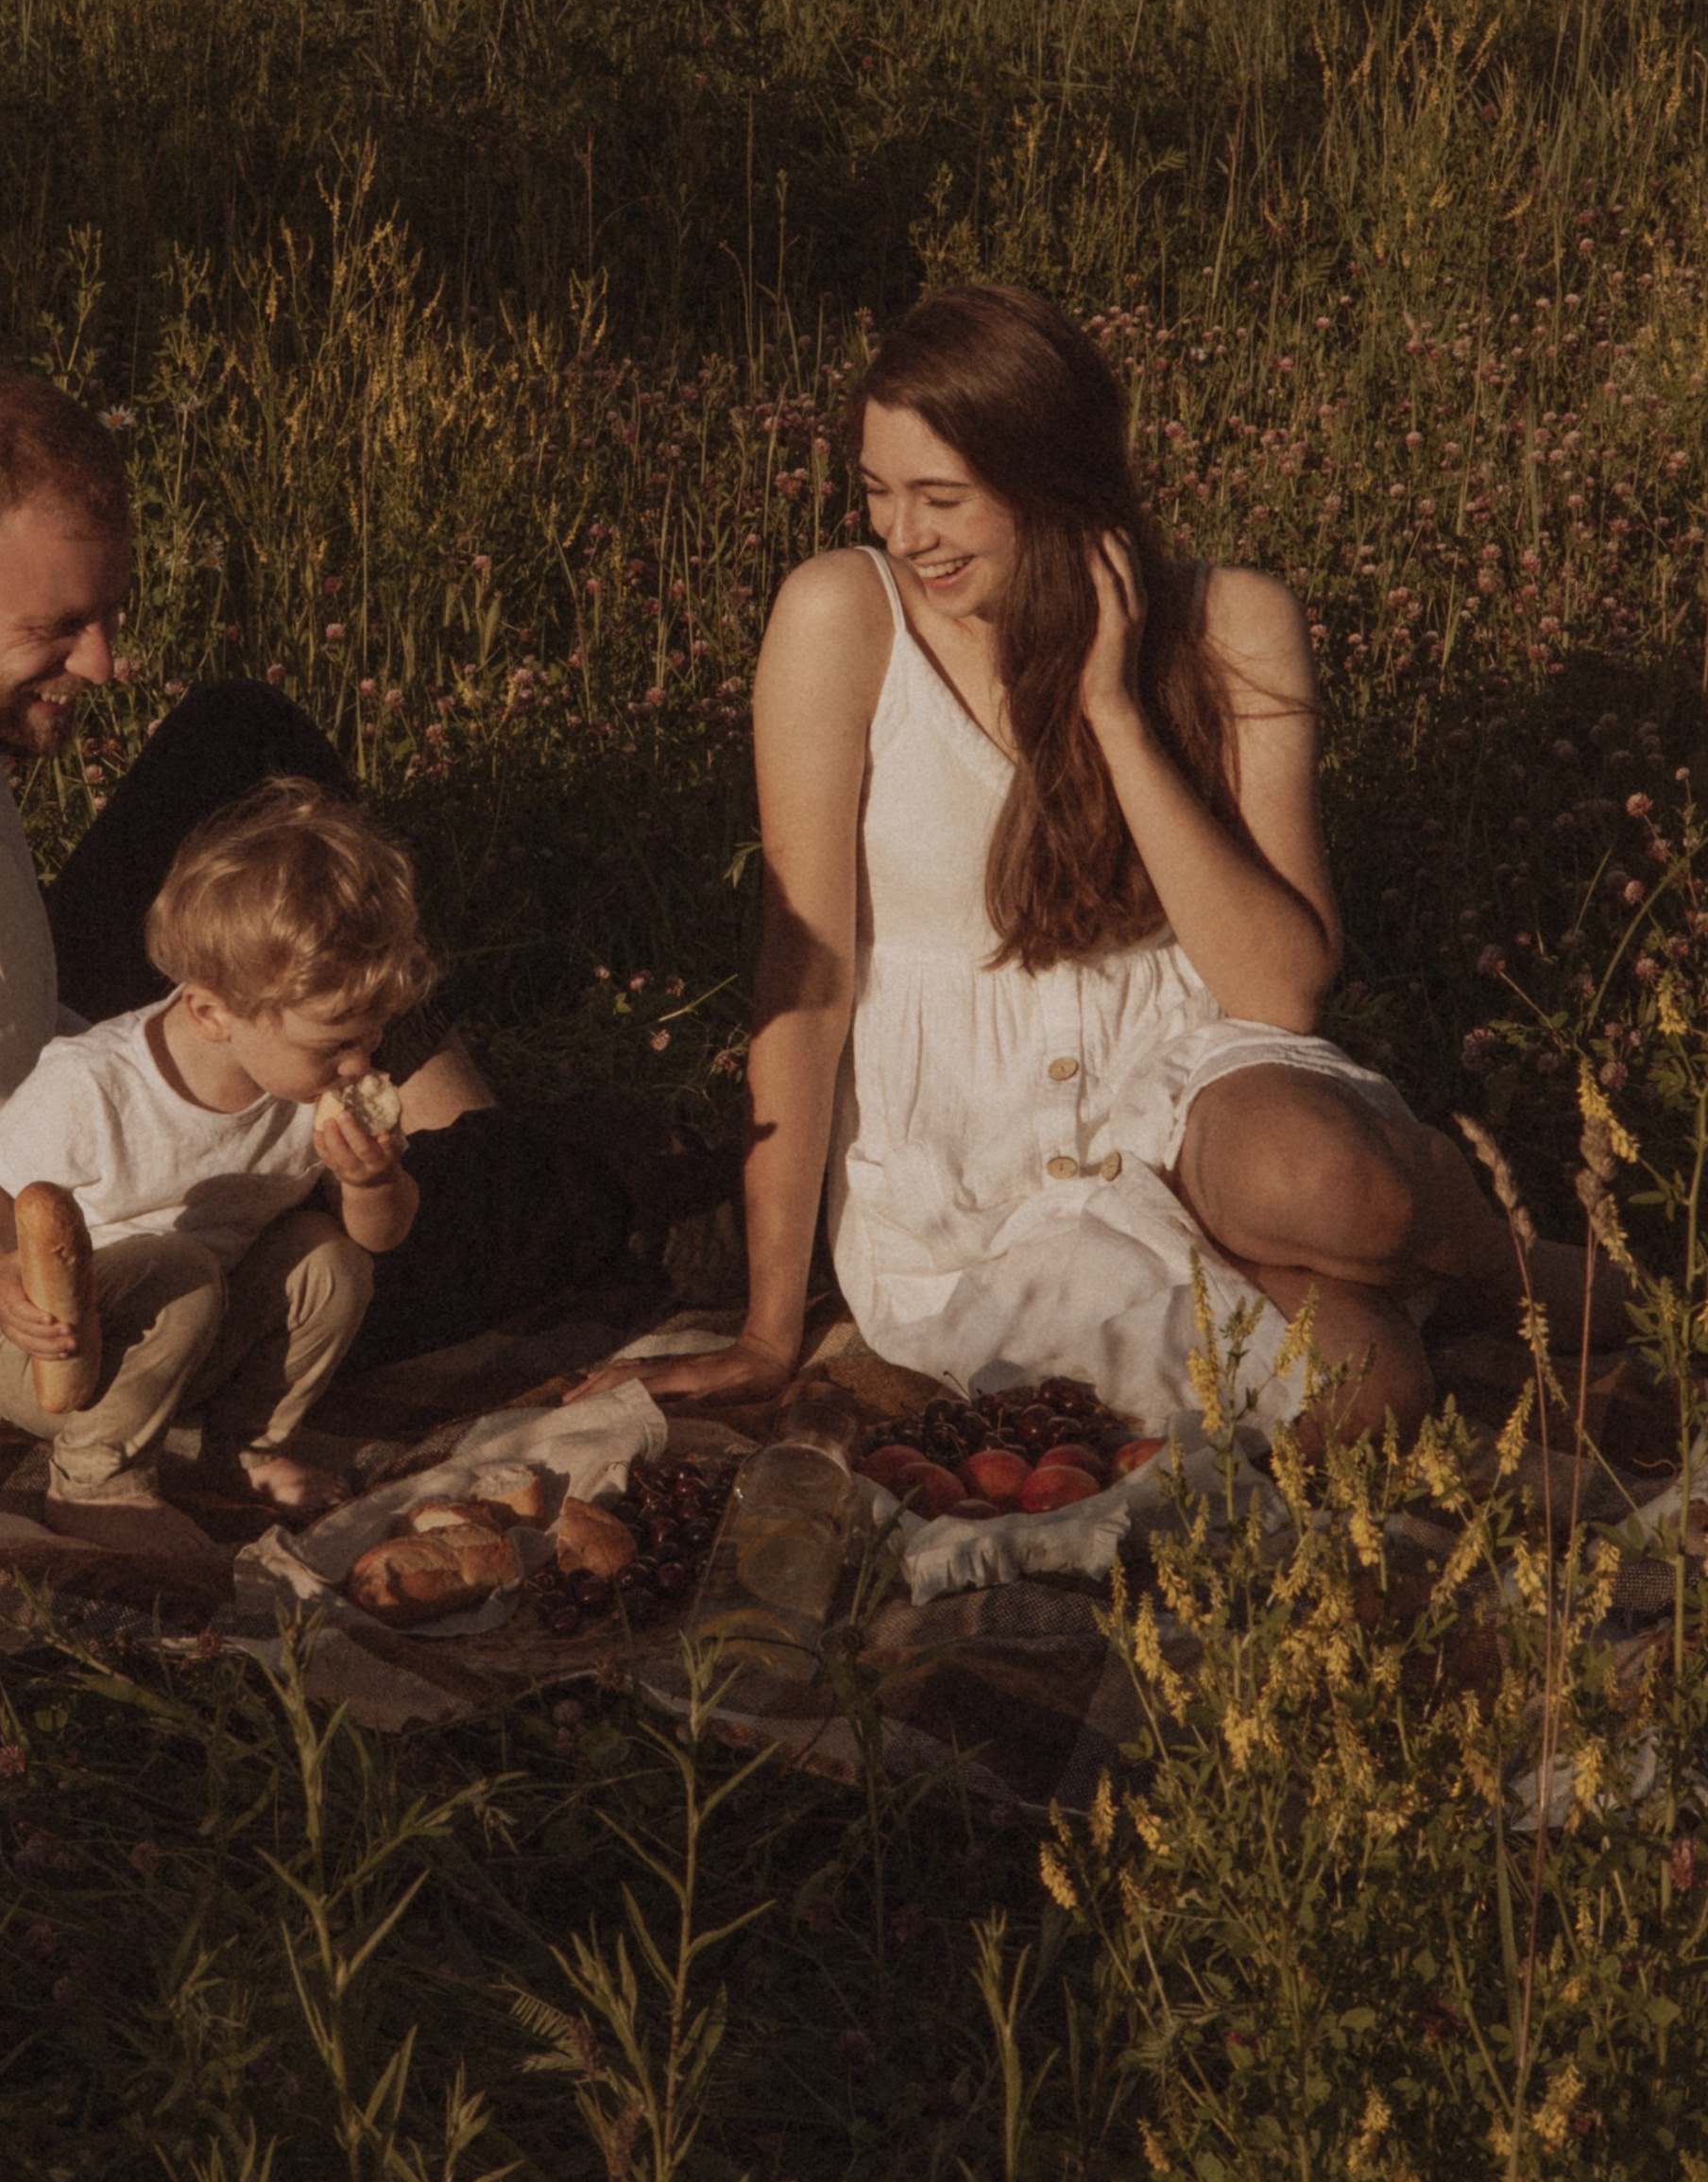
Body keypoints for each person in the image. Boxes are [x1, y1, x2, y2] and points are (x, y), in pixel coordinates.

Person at [0, 364, 709, 1516]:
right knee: (598, 1166)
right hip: (16, 1266)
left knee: (241, 736)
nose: (102, 663)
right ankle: (485, 1162)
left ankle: (402, 1103)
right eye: (55, 627)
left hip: (24, 1055)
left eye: (107, 613)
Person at [583, 283, 1609, 1444]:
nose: (903, 535)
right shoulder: (842, 617)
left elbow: (1279, 989)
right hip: (979, 1174)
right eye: (876, 492)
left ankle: (1503, 1269)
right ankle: (1462, 1286)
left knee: (1344, 1192)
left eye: (941, 498)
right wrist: (770, 1330)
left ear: (1054, 481)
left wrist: (1114, 715)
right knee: (1368, 1399)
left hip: (1188, 1083)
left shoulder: (1231, 623)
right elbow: (803, 978)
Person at [0, 778, 427, 1532]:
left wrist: (374, 1182)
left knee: (331, 1262)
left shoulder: (309, 1084)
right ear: (211, 1013)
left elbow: (381, 1237)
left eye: (372, 1035)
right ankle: (93, 1484)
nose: (359, 1064)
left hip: (201, 1342)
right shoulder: (95, 1084)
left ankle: (246, 1449)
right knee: (182, 1268)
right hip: (54, 1353)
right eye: (334, 1044)